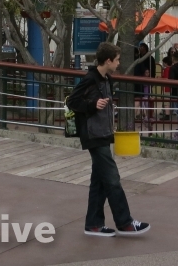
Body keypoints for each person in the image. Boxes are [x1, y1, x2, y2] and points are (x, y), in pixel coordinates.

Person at [66, 42, 150, 237]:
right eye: (117, 60)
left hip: (103, 133)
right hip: (93, 135)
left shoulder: (107, 79)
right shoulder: (90, 79)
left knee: (99, 181)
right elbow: (72, 101)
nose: (119, 63)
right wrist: (93, 104)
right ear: (108, 60)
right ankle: (125, 222)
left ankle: (93, 224)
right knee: (112, 178)